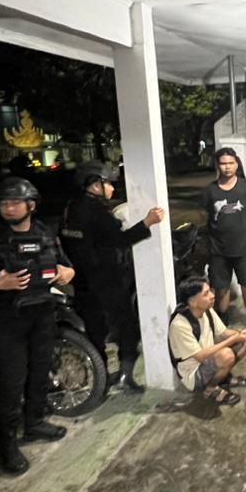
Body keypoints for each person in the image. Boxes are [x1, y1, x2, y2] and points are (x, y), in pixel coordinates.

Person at [0, 177, 75, 475]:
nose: (8, 208)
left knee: (39, 373)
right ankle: (7, 447)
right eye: (4, 203)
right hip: (5, 320)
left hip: (42, 315)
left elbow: (65, 263)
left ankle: (34, 423)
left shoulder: (45, 233)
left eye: (15, 202)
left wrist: (67, 272)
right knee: (11, 384)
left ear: (31, 205)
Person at [60, 160, 165, 395]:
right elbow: (120, 240)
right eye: (108, 183)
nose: (112, 188)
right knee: (127, 327)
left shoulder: (70, 208)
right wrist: (147, 222)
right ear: (96, 185)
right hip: (106, 280)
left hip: (82, 282)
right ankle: (125, 376)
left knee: (95, 329)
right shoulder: (97, 211)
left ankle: (101, 378)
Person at [200, 147, 246, 334]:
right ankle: (222, 318)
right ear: (217, 165)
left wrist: (244, 224)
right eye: (223, 163)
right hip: (218, 250)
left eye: (231, 163)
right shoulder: (210, 191)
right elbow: (204, 215)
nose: (227, 167)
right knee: (221, 287)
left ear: (236, 164)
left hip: (244, 247)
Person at [168, 278, 246, 407]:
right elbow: (200, 356)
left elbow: (224, 333)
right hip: (194, 374)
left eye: (210, 291)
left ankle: (222, 376)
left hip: (208, 360)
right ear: (192, 302)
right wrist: (233, 339)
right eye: (206, 294)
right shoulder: (180, 325)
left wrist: (241, 334)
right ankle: (210, 389)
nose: (212, 296)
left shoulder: (206, 310)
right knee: (226, 355)